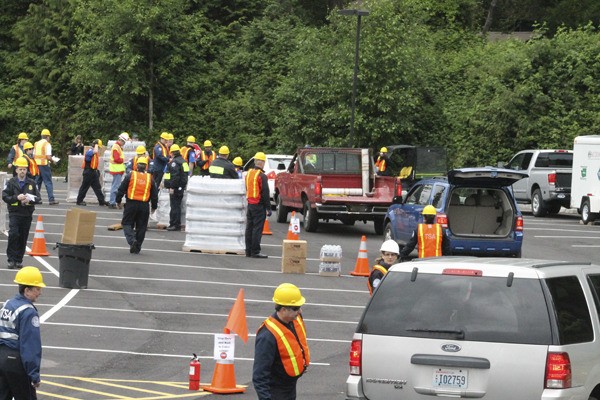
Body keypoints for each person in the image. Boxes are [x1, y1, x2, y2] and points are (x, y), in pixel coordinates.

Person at [253, 283, 310, 400]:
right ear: (283, 309)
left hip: (289, 386)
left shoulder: (294, 319)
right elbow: (259, 375)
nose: (300, 311)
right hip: (276, 391)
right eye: (296, 308)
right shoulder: (267, 335)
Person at [0, 266, 45, 399]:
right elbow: (30, 345)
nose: (40, 292)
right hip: (16, 361)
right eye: (37, 289)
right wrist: (34, 375)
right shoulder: (28, 312)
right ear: (27, 290)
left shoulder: (7, 305)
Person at [2, 157, 42, 269]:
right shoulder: (11, 183)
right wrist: (16, 197)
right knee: (14, 235)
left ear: (26, 170)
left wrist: (30, 199)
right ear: (16, 170)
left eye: (24, 169)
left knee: (23, 237)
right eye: (20, 169)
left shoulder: (32, 183)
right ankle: (11, 259)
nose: (22, 171)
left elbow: (39, 199)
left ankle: (19, 260)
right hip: (14, 214)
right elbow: (5, 197)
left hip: (27, 214)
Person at [116, 157, 158, 254]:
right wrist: (154, 206)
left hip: (131, 204)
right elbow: (154, 194)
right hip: (144, 206)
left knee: (126, 223)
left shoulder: (131, 175)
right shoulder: (150, 178)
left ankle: (132, 241)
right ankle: (137, 246)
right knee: (141, 227)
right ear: (146, 167)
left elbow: (121, 189)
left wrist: (118, 201)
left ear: (136, 166)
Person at [245, 152, 271, 258]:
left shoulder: (249, 173)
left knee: (249, 228)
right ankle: (255, 251)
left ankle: (248, 250)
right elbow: (265, 193)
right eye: (264, 162)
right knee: (257, 229)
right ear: (261, 162)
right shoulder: (262, 176)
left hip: (250, 204)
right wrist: (268, 208)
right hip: (259, 205)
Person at [163, 144, 189, 231]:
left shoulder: (174, 163)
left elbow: (175, 176)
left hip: (176, 187)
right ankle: (176, 224)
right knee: (177, 206)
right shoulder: (184, 162)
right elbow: (185, 175)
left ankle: (174, 224)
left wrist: (172, 187)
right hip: (181, 187)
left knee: (174, 206)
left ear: (172, 153)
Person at [76, 139, 108, 206]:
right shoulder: (90, 151)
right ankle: (79, 201)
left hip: (93, 172)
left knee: (97, 187)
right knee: (84, 187)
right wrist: (96, 146)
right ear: (95, 145)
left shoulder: (94, 153)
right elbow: (89, 156)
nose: (99, 149)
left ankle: (101, 201)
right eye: (98, 147)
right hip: (88, 172)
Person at [33, 128, 58, 205]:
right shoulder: (47, 144)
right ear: (47, 136)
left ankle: (36, 199)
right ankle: (51, 199)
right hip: (44, 165)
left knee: (37, 182)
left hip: (37, 165)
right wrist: (53, 161)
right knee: (48, 182)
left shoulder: (36, 143)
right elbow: (48, 156)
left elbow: (33, 155)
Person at [108, 132, 129, 209]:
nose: (124, 144)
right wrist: (124, 160)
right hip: (116, 169)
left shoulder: (117, 147)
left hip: (117, 169)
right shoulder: (116, 147)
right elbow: (117, 159)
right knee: (115, 187)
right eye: (124, 142)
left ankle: (112, 202)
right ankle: (112, 202)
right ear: (122, 141)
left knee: (115, 186)